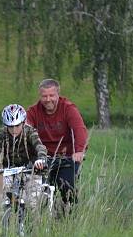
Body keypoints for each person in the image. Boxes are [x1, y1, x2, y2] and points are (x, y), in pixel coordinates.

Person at [26, 78, 88, 206]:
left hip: (66, 157)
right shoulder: (33, 111)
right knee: (39, 192)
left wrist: (79, 151)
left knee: (67, 189)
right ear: (40, 96)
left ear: (58, 94)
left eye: (51, 95)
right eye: (44, 96)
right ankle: (41, 218)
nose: (48, 99)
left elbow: (79, 129)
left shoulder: (68, 108)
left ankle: (70, 217)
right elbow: (25, 129)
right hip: (43, 158)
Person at [0, 104, 47, 176]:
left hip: (32, 169)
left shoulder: (30, 132)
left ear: (23, 123)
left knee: (34, 187)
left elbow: (39, 146)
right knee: (8, 188)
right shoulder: (2, 133)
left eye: (17, 126)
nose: (14, 130)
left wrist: (41, 159)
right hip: (10, 170)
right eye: (10, 127)